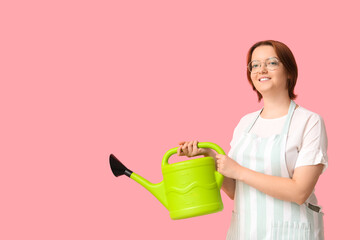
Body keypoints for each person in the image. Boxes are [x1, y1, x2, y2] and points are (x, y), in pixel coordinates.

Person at [178, 40, 328, 240]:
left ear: (289, 71)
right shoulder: (246, 123)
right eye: (255, 65)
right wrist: (212, 159)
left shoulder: (309, 121)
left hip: (290, 233)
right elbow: (236, 192)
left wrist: (238, 171)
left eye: (272, 63)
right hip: (245, 232)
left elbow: (299, 191)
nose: (261, 70)